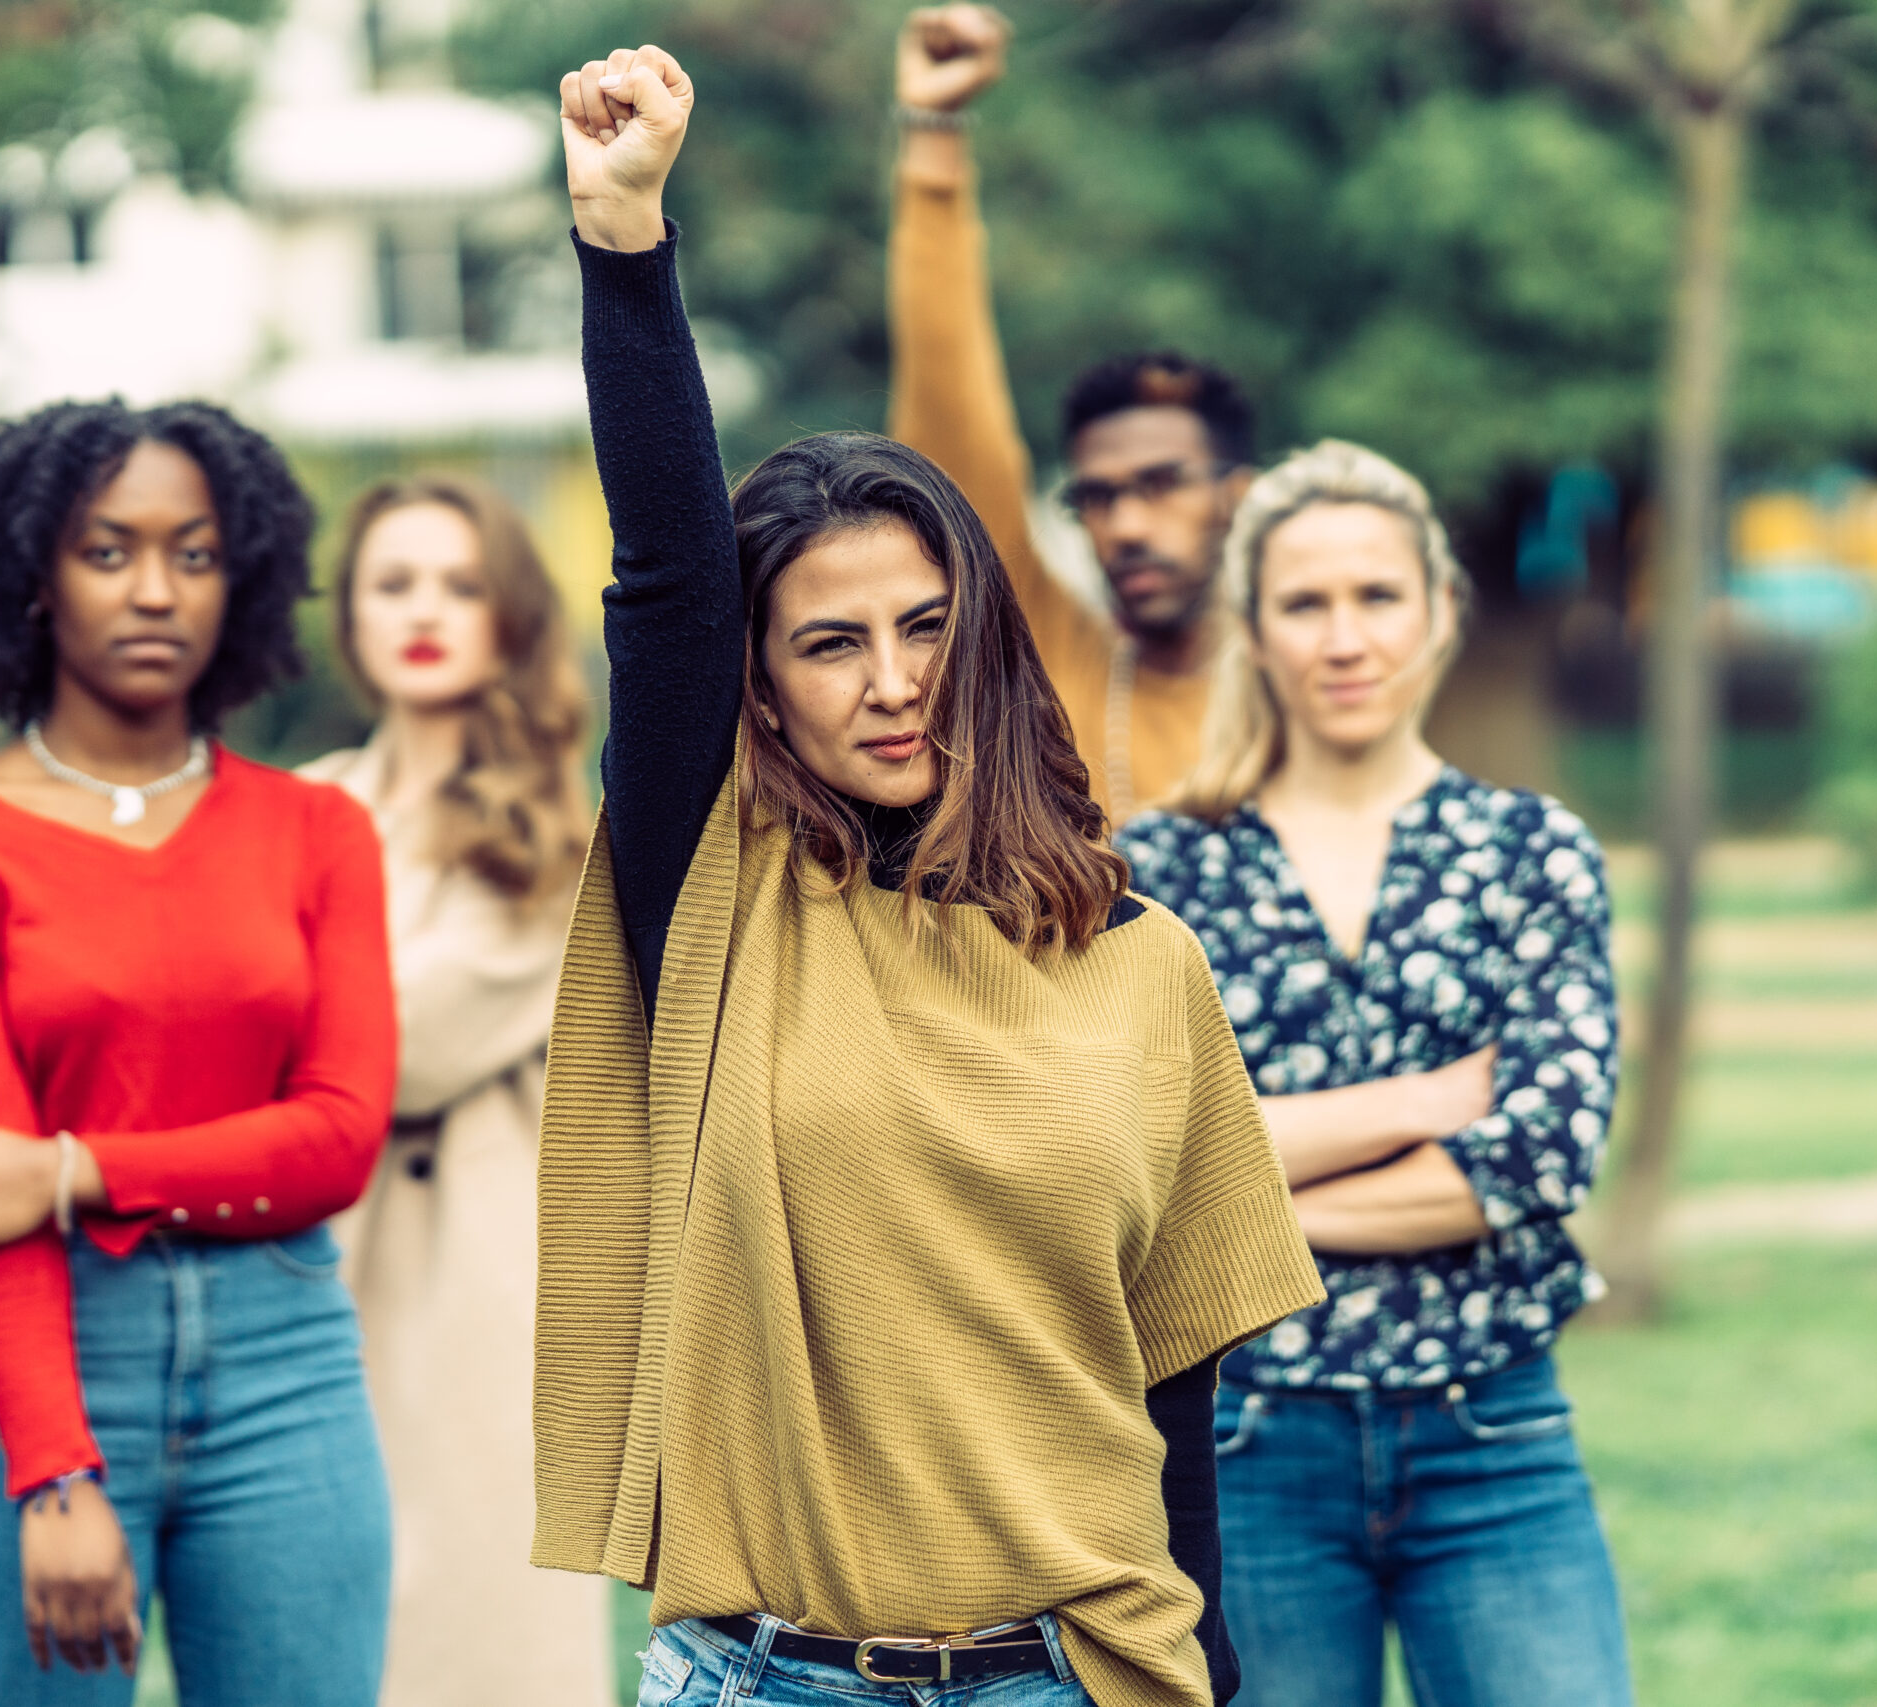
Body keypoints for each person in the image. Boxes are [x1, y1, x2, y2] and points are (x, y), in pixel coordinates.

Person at [535, 44, 1325, 1707]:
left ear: (982, 638)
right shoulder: (719, 900)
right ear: (761, 685)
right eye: (828, 643)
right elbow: (668, 578)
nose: (888, 679)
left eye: (921, 626)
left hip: (1069, 1675)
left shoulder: (1138, 958)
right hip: (769, 1681)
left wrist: (1211, 1679)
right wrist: (625, 240)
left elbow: (1169, 1383)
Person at [0, 399, 397, 1706]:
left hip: (289, 1367)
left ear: (242, 575)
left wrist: (68, 1170)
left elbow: (334, 1141)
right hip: (42, 1366)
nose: (156, 590)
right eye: (108, 551)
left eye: (194, 553)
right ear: (34, 574)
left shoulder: (316, 831)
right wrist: (52, 1473)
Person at [1115, 441, 1633, 1707]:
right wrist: (1425, 1104)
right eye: (1305, 603)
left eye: (1376, 597)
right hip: (1242, 1446)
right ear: (1253, 628)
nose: (1344, 638)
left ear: (1440, 614)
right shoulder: (1161, 873)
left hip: (1492, 1438)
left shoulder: (1531, 853)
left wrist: (1241, 1205)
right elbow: (1134, 1159)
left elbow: (1540, 1155)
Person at [297, 474, 611, 1707]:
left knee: (484, 1639)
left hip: (486, 1288)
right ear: (352, 618)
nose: (425, 611)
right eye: (393, 583)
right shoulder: (299, 807)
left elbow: (406, 1045)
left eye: (460, 584)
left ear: (509, 617)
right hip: (306, 1266)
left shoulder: (547, 833)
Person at [889, 4, 1257, 821]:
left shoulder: (1311, 689)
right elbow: (949, 408)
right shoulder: (1051, 659)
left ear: (1238, 494)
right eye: (1098, 496)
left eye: (1162, 484)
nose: (1125, 524)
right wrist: (934, 131)